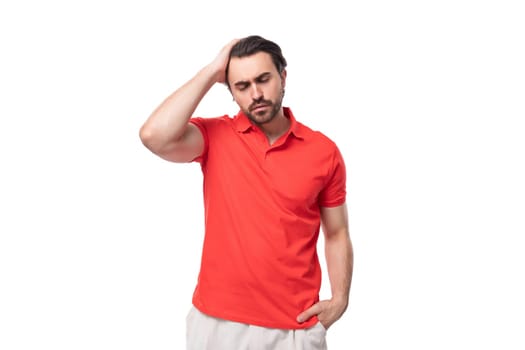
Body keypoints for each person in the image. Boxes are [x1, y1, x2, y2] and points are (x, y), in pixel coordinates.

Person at [139, 35, 353, 350]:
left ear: (282, 76)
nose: (255, 94)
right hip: (217, 324)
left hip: (294, 327)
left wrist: (340, 300)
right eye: (241, 86)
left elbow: (337, 232)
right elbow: (154, 135)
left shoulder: (324, 151)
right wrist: (214, 70)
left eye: (263, 80)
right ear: (231, 92)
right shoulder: (214, 137)